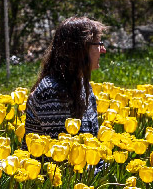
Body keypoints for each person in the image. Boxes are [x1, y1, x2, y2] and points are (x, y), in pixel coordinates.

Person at [23, 17, 107, 146]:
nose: (103, 50)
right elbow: (61, 153)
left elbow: (93, 144)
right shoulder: (51, 92)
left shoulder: (84, 86)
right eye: (98, 44)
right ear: (81, 49)